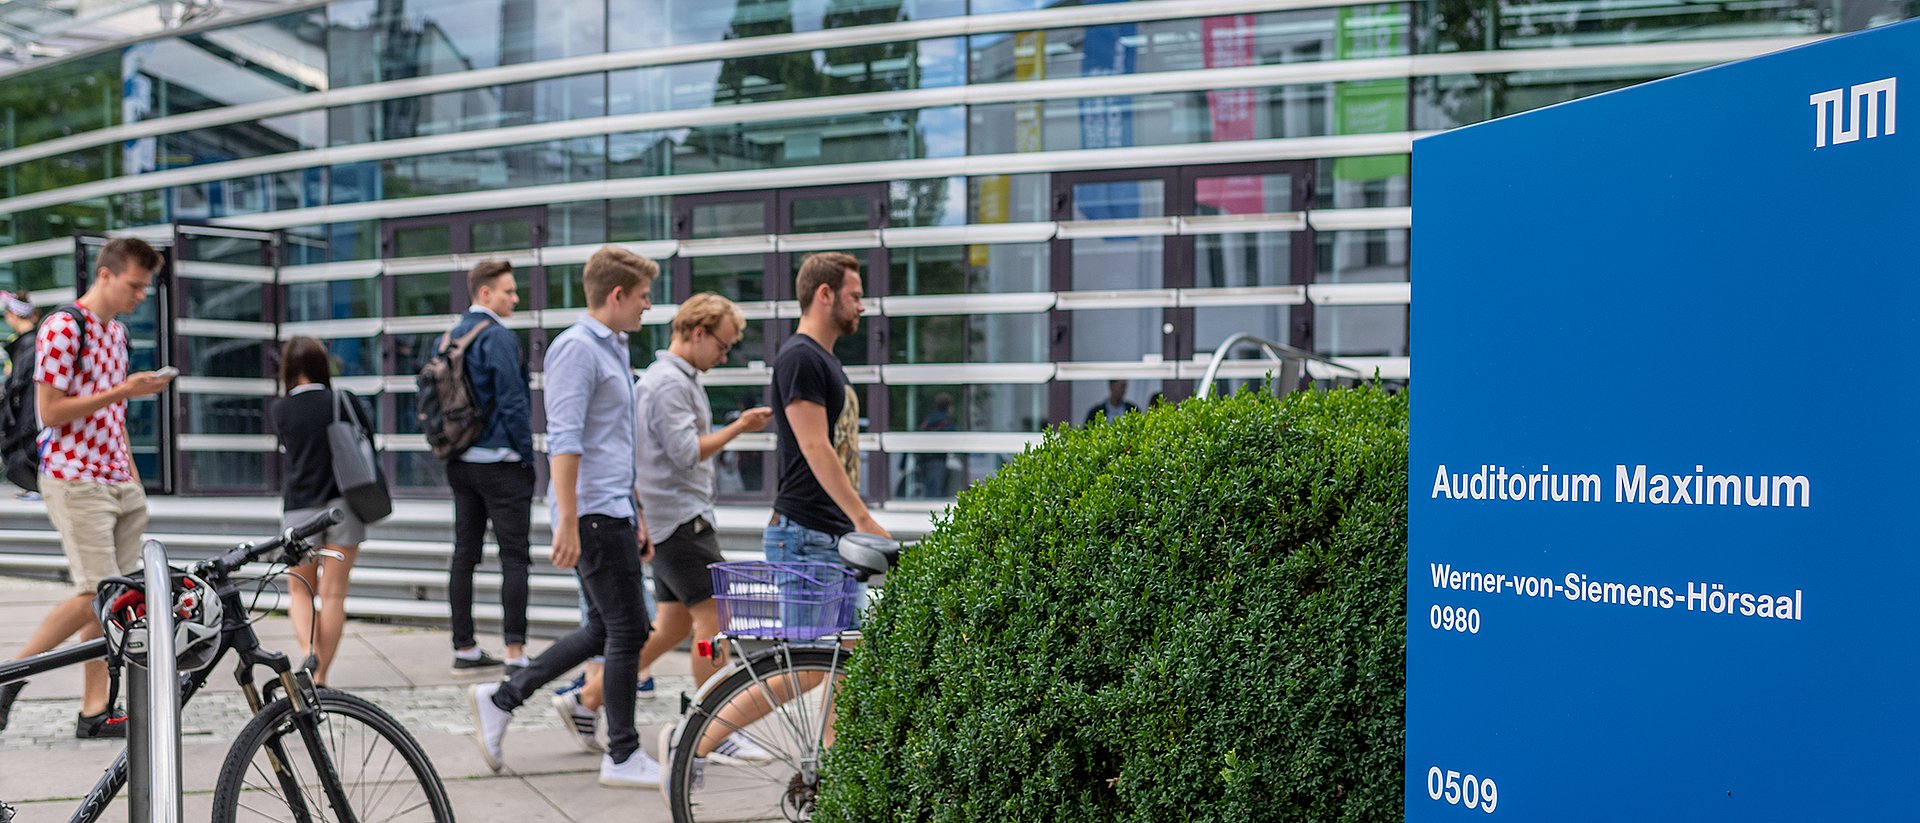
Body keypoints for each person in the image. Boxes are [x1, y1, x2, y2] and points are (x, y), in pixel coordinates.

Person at [469, 246, 660, 788]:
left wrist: (637, 511)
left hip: (612, 508)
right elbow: (566, 440)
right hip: (593, 513)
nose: (648, 306)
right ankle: (622, 754)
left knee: (606, 628)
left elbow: (615, 442)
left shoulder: (613, 346)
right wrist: (568, 521)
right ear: (617, 295)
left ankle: (503, 698)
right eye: (643, 296)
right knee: (628, 629)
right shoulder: (576, 349)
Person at [553, 293, 773, 759]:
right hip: (680, 519)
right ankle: (714, 728)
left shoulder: (670, 379)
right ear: (697, 332)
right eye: (722, 345)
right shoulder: (669, 383)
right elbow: (685, 452)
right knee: (714, 621)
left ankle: (586, 699)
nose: (724, 356)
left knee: (672, 625)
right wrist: (739, 427)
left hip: (670, 518)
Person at [0, 237, 174, 739]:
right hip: (74, 478)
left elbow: (114, 417)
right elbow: (50, 411)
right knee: (98, 592)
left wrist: (133, 479)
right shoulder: (62, 327)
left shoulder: (117, 334)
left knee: (108, 601)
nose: (140, 295)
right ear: (105, 275)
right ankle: (11, 676)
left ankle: (94, 710)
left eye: (145, 287)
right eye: (134, 285)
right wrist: (124, 389)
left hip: (117, 479)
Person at [767, 251, 892, 563]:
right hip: (806, 535)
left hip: (829, 534)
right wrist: (863, 520)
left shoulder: (824, 359)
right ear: (825, 294)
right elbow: (815, 445)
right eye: (855, 297)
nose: (861, 307)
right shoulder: (800, 357)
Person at [268, 337, 376, 688]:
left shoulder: (281, 409)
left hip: (300, 508)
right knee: (333, 594)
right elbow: (368, 441)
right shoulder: (343, 400)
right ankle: (321, 676)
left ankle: (308, 652)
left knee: (300, 590)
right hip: (346, 505)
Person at [444, 260, 534, 675]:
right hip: (501, 462)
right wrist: (528, 456)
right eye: (508, 291)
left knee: (465, 554)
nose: (515, 298)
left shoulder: (450, 335)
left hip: (460, 461)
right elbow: (514, 402)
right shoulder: (497, 336)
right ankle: (515, 652)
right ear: (485, 293)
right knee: (514, 557)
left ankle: (464, 647)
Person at [1, 293, 43, 502]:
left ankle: (35, 483)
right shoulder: (31, 342)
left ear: (12, 315)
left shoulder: (28, 346)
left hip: (30, 418)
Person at [916, 392, 956, 498]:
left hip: (924, 460)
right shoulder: (947, 423)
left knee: (928, 487)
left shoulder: (927, 421)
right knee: (935, 490)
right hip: (938, 459)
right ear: (948, 407)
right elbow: (953, 440)